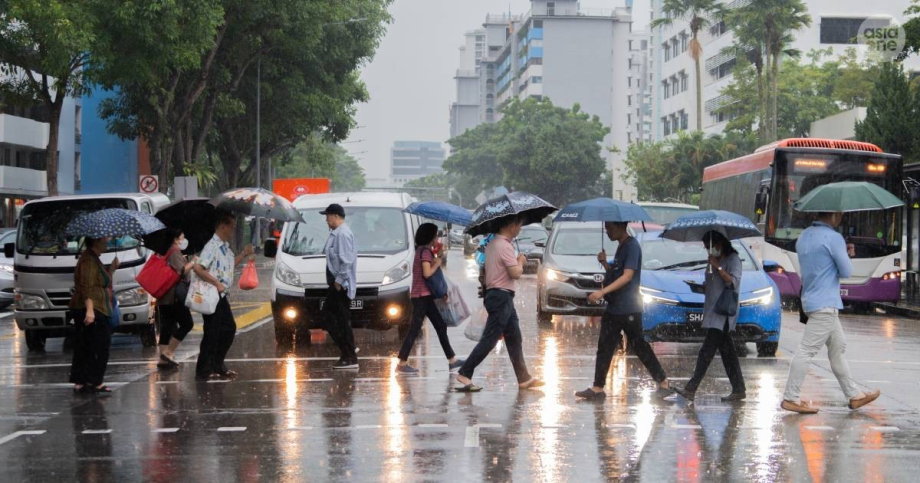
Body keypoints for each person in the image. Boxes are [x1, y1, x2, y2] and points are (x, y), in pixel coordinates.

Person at [781, 212, 880, 414]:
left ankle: (854, 395)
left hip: (811, 299)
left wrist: (840, 253)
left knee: (837, 347)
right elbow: (846, 271)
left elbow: (819, 266)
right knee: (806, 350)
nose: (841, 216)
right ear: (834, 214)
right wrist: (846, 254)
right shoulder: (833, 238)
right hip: (825, 304)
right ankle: (790, 397)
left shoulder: (804, 236)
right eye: (840, 213)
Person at [576, 222, 672, 401]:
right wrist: (605, 264)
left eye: (610, 228)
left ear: (621, 227)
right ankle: (597, 388)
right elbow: (616, 274)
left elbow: (627, 276)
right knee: (605, 346)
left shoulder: (632, 247)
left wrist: (602, 292)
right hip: (616, 307)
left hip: (628, 307)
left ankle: (663, 382)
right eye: (606, 228)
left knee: (639, 345)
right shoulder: (621, 247)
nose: (607, 231)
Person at [455, 215, 544, 392]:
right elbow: (516, 273)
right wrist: (520, 261)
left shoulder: (493, 244)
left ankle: (523, 377)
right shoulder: (504, 246)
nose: (519, 229)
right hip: (501, 296)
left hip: (501, 296)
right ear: (511, 226)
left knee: (514, 337)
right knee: (490, 339)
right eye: (519, 225)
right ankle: (465, 372)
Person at [673, 231, 746, 402]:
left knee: (706, 352)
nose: (709, 250)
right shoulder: (712, 261)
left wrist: (718, 266)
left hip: (723, 313)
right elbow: (715, 284)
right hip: (713, 311)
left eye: (711, 247)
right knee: (728, 354)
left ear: (720, 243)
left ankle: (691, 388)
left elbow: (733, 282)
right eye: (706, 248)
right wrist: (704, 286)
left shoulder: (733, 259)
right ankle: (739, 389)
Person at [396, 223, 464, 375]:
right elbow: (427, 273)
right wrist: (438, 262)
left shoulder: (422, 251)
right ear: (430, 237)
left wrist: (437, 256)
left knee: (440, 326)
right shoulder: (424, 252)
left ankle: (452, 360)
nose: (437, 238)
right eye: (435, 236)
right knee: (414, 329)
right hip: (422, 297)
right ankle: (401, 363)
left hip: (423, 296)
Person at [193, 211, 253, 381]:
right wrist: (216, 283)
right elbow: (199, 268)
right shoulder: (212, 246)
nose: (232, 231)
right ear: (222, 226)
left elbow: (227, 268)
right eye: (231, 227)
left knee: (227, 329)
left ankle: (217, 364)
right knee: (213, 332)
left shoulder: (224, 247)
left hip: (221, 294)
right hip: (212, 294)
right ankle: (204, 369)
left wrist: (243, 254)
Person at [69, 236, 119, 395]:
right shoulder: (89, 260)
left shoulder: (94, 259)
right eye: (105, 240)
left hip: (95, 308)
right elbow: (87, 287)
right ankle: (94, 381)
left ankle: (81, 381)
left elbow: (101, 282)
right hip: (93, 309)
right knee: (100, 345)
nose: (108, 242)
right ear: (96, 241)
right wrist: (90, 310)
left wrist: (111, 270)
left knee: (86, 345)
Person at [321, 203, 359, 369]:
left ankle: (349, 355)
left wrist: (339, 281)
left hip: (340, 286)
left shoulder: (342, 234)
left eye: (328, 216)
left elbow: (346, 261)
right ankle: (349, 349)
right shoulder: (336, 234)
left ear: (336, 216)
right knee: (336, 319)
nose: (326, 220)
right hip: (337, 284)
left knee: (333, 318)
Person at [156, 228, 196, 369]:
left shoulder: (167, 250)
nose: (183, 240)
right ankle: (168, 353)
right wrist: (192, 263)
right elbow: (182, 271)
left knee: (167, 326)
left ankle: (162, 359)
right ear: (175, 239)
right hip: (174, 296)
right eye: (182, 237)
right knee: (187, 323)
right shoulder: (174, 252)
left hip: (164, 296)